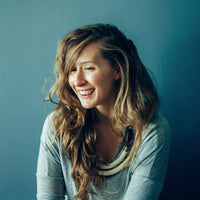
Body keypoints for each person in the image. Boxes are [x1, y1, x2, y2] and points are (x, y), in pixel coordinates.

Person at [36, 24, 171, 200]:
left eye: (89, 68)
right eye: (72, 69)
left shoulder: (152, 131)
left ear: (117, 69)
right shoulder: (57, 125)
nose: (77, 81)